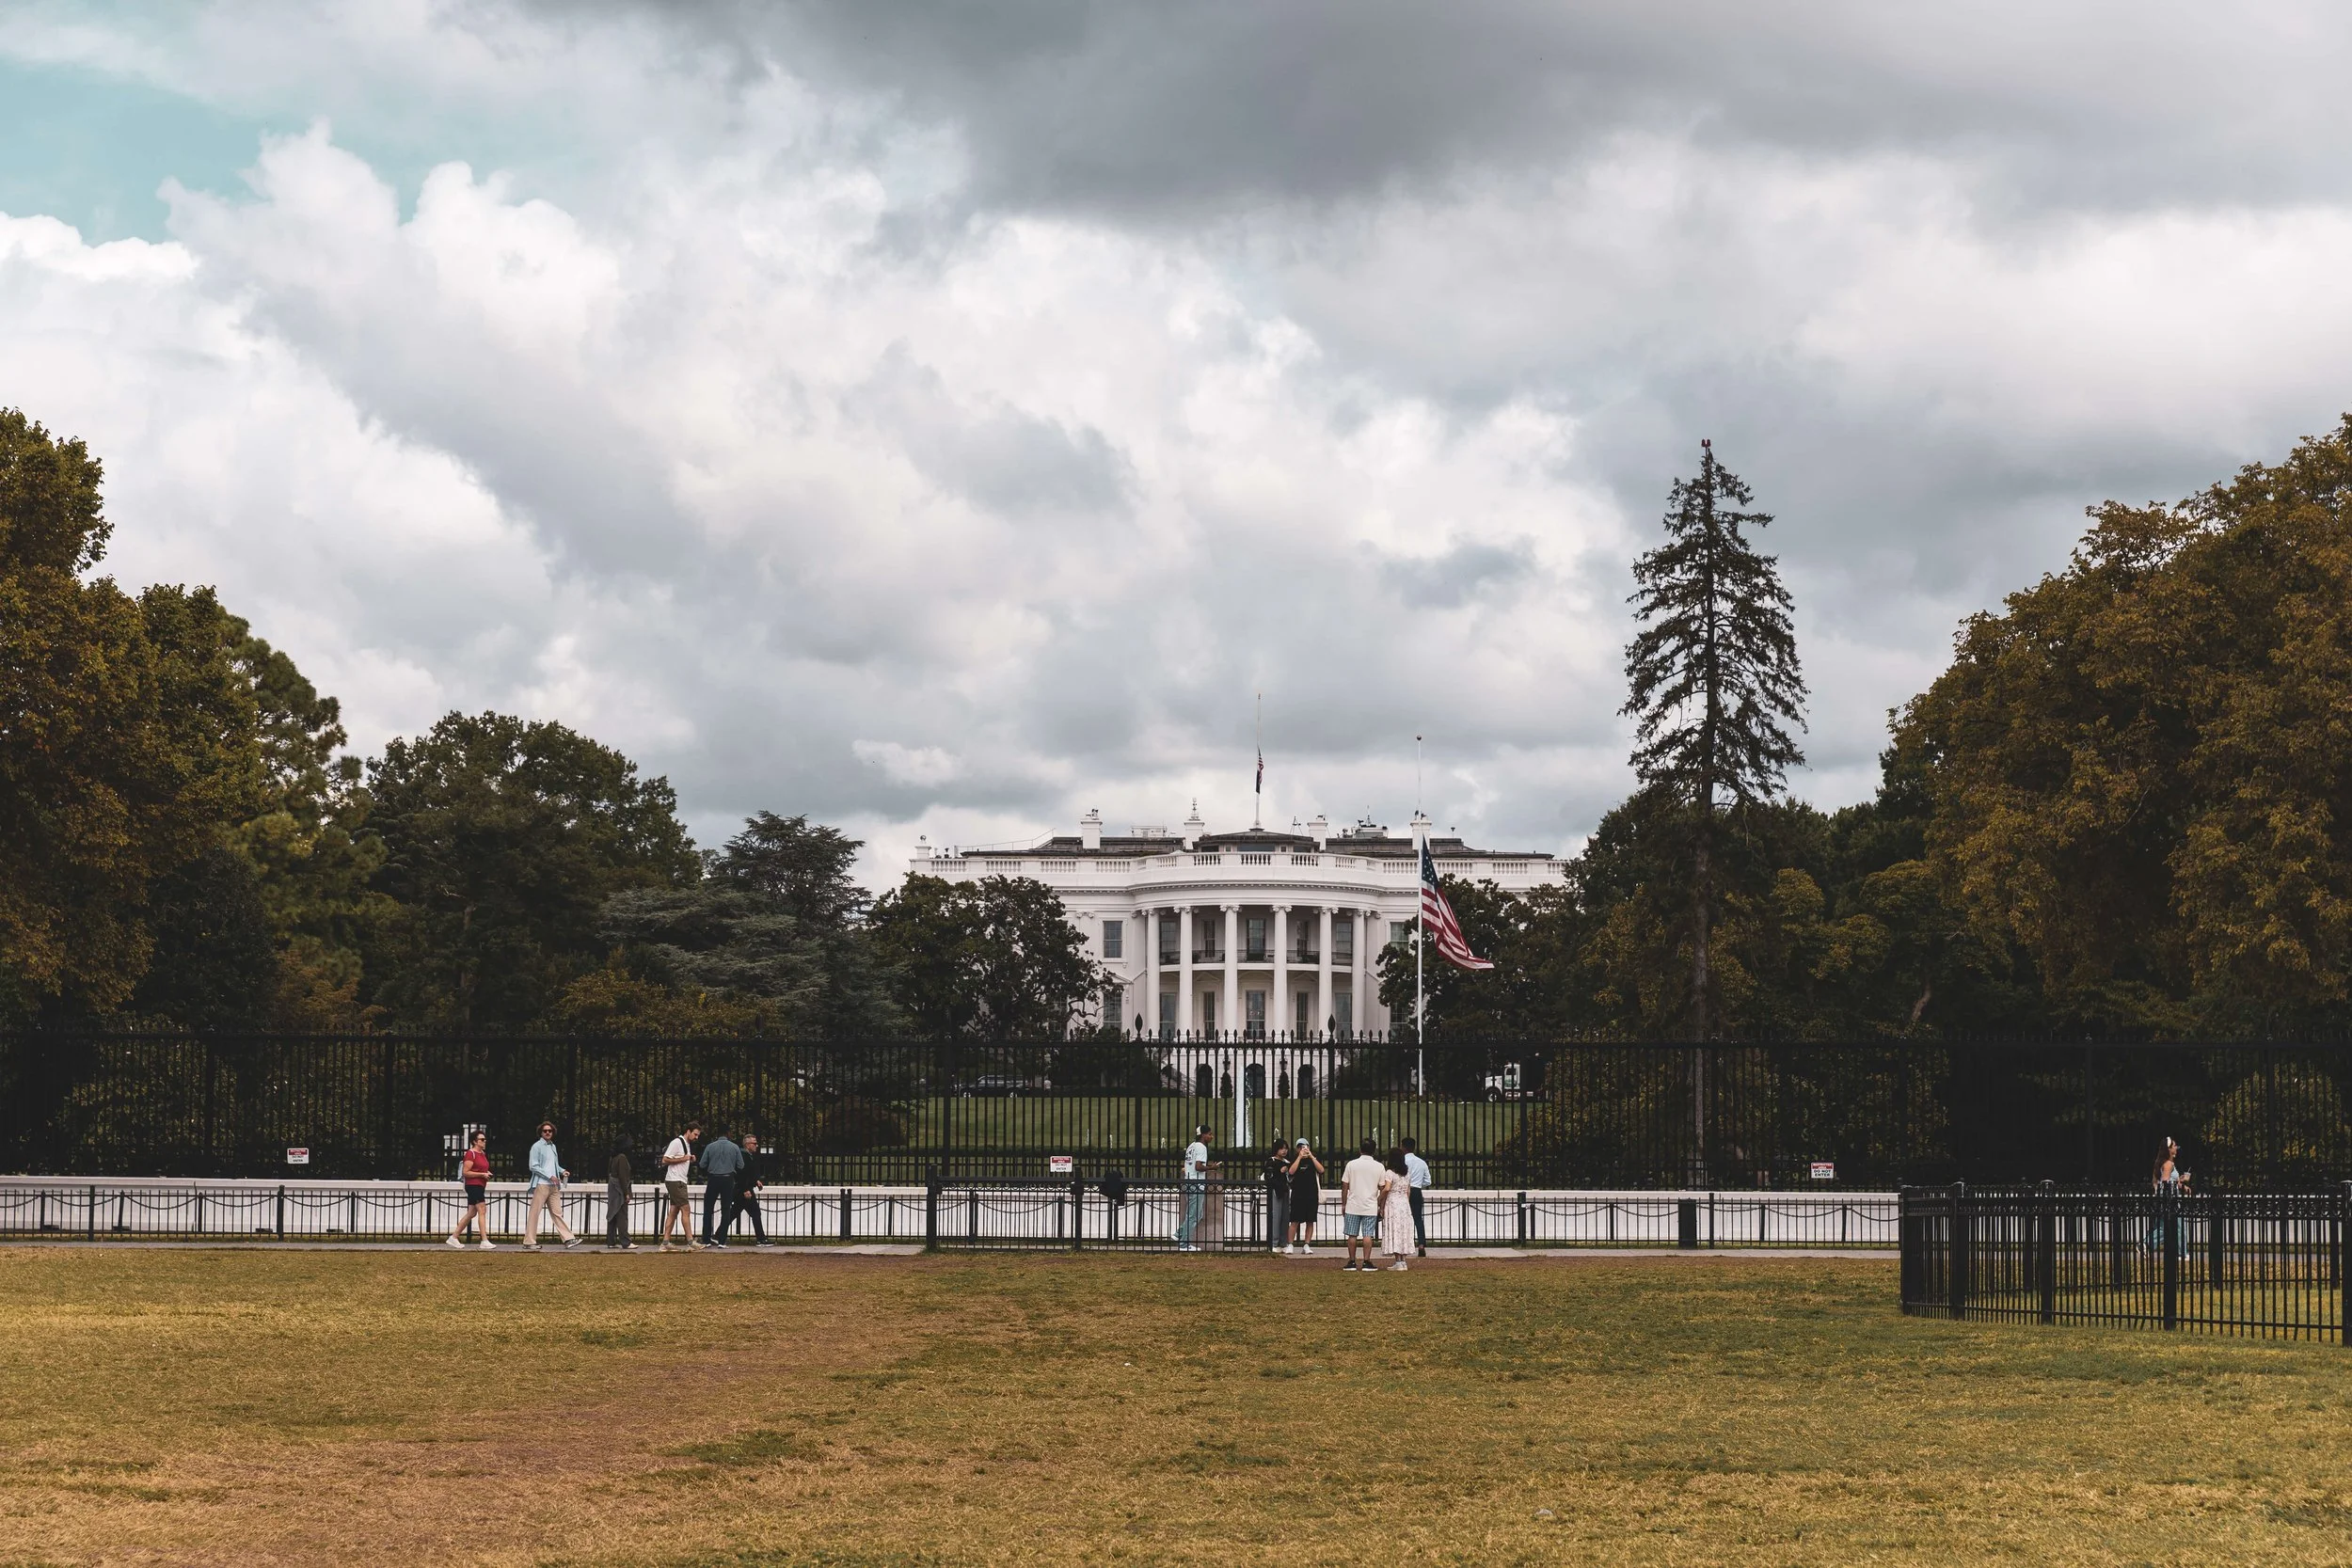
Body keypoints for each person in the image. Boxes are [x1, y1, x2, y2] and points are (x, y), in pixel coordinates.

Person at [522, 1121, 581, 1248]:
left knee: (557, 1212)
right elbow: (533, 1166)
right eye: (545, 1131)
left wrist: (562, 1171)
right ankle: (529, 1241)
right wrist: (549, 1176)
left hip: (554, 1185)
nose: (548, 1133)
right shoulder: (536, 1147)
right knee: (535, 1212)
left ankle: (568, 1239)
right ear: (541, 1133)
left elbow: (554, 1165)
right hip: (542, 1184)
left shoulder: (552, 1146)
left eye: (550, 1131)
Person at [1339, 1136, 1386, 1272]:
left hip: (1353, 1204)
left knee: (1352, 1235)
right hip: (1370, 1205)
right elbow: (1382, 1188)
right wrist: (1381, 1206)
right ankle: (1366, 1261)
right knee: (1367, 1235)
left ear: (1360, 1150)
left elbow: (1345, 1186)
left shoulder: (1351, 1164)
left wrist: (1344, 1204)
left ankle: (1352, 1261)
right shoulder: (1379, 1166)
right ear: (1374, 1151)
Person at [447, 1130, 494, 1249]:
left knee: (472, 1213)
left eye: (485, 1139)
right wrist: (482, 1175)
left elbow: (480, 1169)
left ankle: (454, 1237)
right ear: (474, 1141)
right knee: (482, 1210)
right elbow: (466, 1172)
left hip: (480, 1185)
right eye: (482, 1140)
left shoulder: (482, 1154)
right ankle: (484, 1240)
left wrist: (486, 1173)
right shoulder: (470, 1154)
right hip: (474, 1185)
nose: (484, 1142)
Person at [660, 1120, 703, 1251]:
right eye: (695, 1134)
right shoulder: (677, 1142)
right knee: (686, 1209)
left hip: (678, 1180)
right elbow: (665, 1159)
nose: (696, 1137)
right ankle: (690, 1241)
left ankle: (665, 1242)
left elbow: (681, 1157)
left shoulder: (686, 1144)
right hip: (676, 1180)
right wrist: (683, 1159)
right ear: (688, 1131)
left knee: (674, 1211)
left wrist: (689, 1158)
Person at [701, 1127, 745, 1248]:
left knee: (708, 1209)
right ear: (728, 1134)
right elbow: (741, 1165)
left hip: (713, 1178)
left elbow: (702, 1163)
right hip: (728, 1179)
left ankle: (706, 1239)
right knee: (726, 1209)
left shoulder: (710, 1147)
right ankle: (722, 1240)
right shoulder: (734, 1147)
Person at [1378, 1147, 1416, 1271]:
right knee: (1403, 1231)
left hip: (1393, 1203)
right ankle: (1403, 1261)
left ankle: (1398, 1261)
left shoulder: (1390, 1173)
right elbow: (1408, 1192)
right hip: (1404, 1204)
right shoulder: (1407, 1174)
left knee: (1395, 1230)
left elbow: (1387, 1188)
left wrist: (1380, 1199)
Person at [1175, 1124, 1211, 1251]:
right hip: (1196, 1182)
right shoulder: (1201, 1147)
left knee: (1197, 1214)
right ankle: (1184, 1244)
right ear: (1203, 1135)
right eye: (1209, 1134)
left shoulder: (1191, 1146)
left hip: (1189, 1180)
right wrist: (1212, 1167)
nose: (1211, 1137)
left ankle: (1179, 1234)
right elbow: (1198, 1167)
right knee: (1194, 1215)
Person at [1285, 1138, 1325, 1255]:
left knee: (1310, 1221)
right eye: (1301, 1147)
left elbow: (1321, 1170)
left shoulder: (1313, 1159)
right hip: (1298, 1194)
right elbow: (1291, 1172)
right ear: (1297, 1149)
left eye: (1306, 1146)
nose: (1304, 1148)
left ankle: (1307, 1244)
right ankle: (1290, 1244)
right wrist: (1299, 1157)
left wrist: (1311, 1157)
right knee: (1294, 1221)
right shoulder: (1294, 1160)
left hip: (1311, 1194)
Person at [732, 1133, 771, 1245]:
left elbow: (748, 1174)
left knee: (733, 1213)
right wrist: (746, 1189)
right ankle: (761, 1239)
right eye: (754, 1143)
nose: (756, 1145)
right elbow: (743, 1174)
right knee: (755, 1213)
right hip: (745, 1190)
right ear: (747, 1144)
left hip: (743, 1189)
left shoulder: (747, 1155)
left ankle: (718, 1235)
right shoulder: (744, 1156)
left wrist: (755, 1181)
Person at [1401, 1135, 1431, 1258]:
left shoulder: (1402, 1161)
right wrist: (1418, 1183)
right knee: (1418, 1220)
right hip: (1417, 1191)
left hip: (1403, 1191)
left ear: (1403, 1147)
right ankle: (1421, 1244)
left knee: (1403, 1219)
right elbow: (1428, 1181)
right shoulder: (1421, 1162)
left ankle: (1404, 1246)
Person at [1263, 1135, 1292, 1252]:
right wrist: (1280, 1172)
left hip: (1285, 1190)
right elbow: (1270, 1177)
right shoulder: (1271, 1161)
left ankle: (1283, 1242)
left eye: (1285, 1148)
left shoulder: (1287, 1162)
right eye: (1281, 1148)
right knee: (1276, 1216)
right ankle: (1274, 1243)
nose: (1284, 1151)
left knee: (1285, 1217)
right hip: (1276, 1191)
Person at [605, 1137, 634, 1250]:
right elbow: (623, 1177)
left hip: (613, 1189)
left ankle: (611, 1241)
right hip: (620, 1190)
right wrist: (626, 1193)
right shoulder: (622, 1158)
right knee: (622, 1215)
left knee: (612, 1215)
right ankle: (625, 1241)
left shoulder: (613, 1157)